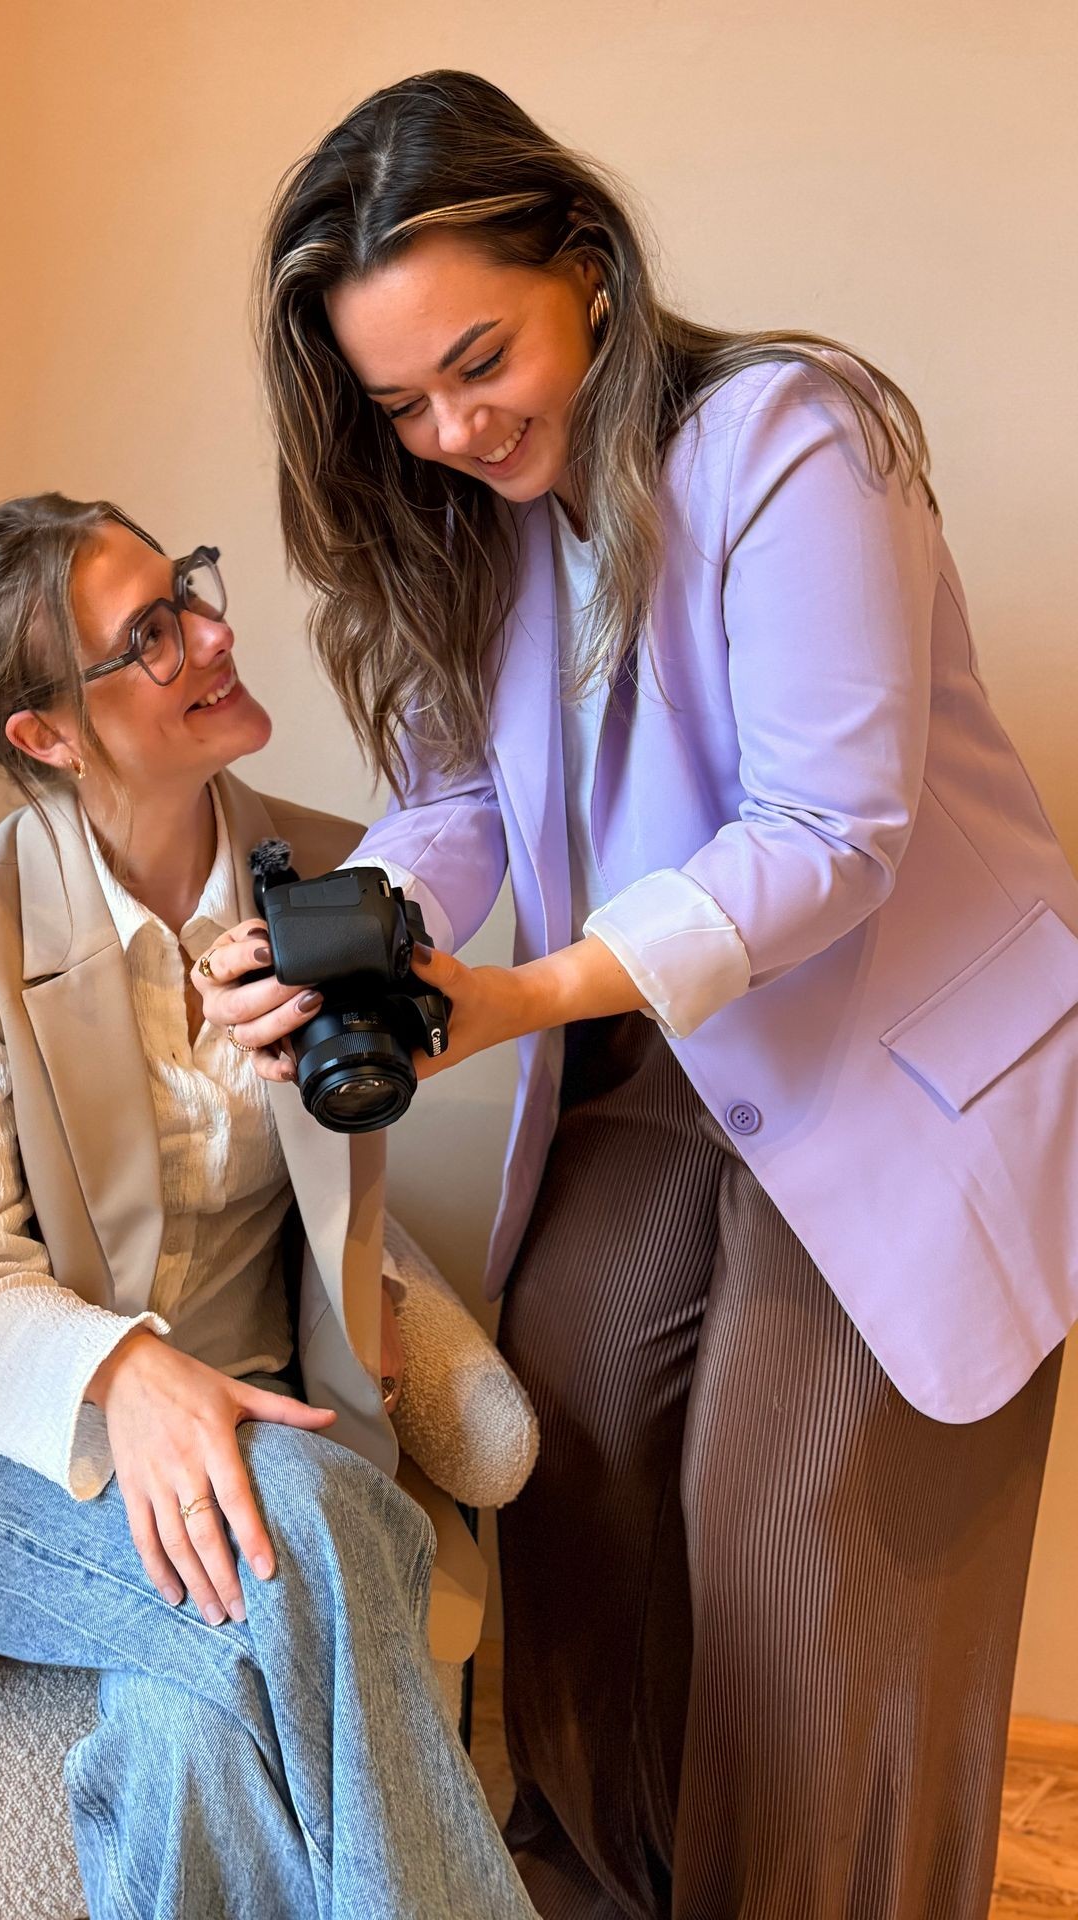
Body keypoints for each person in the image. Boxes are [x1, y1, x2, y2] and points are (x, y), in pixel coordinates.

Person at [193, 69, 1078, 1920]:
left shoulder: (789, 443)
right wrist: (353, 925)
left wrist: (521, 993)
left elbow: (831, 826)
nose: (448, 424)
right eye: (398, 401)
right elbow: (449, 802)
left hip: (896, 1066)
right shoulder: (473, 525)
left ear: (585, 263)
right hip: (682, 1049)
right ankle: (602, 1884)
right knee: (566, 1434)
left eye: (479, 359)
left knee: (787, 1550)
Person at [0, 491, 536, 1920]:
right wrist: (130, 1372)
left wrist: (368, 1302)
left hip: (266, 1415)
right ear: (47, 734)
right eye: (150, 634)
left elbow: (348, 1171)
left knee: (192, 1730)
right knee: (324, 1530)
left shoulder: (348, 880)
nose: (214, 634)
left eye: (190, 591)